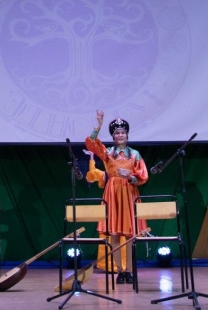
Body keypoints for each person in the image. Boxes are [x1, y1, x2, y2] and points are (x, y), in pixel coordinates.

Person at [85, 110, 148, 284]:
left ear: (127, 135)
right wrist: (98, 126)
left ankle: (129, 270)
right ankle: (120, 270)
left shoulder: (134, 154)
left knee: (129, 234)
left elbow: (143, 175)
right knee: (114, 234)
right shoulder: (108, 153)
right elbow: (91, 144)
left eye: (122, 132)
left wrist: (130, 176)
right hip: (112, 192)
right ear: (113, 136)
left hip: (129, 192)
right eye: (117, 133)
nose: (120, 135)